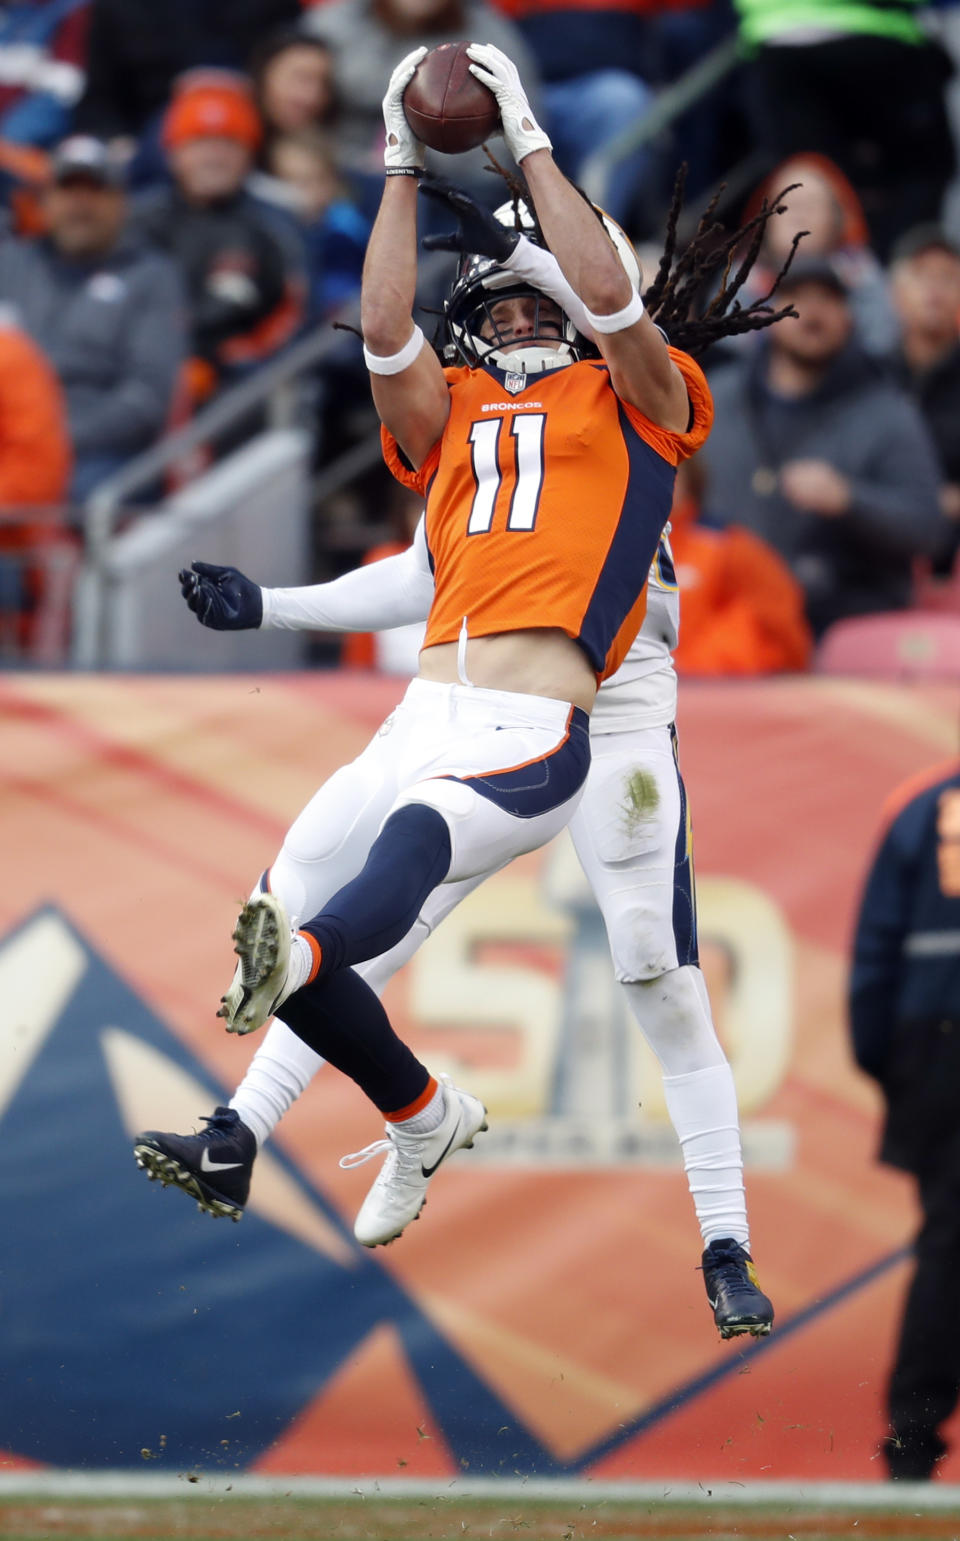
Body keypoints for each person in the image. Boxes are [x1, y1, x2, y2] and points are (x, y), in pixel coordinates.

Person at [135, 44, 790, 1334]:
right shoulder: (465, 429)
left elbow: (610, 306)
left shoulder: (640, 403)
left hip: (604, 707)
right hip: (446, 695)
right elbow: (416, 550)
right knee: (294, 906)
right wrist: (398, 163)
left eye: (535, 308)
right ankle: (283, 1124)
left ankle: (722, 1238)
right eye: (495, 312)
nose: (519, 325)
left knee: (655, 970)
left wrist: (530, 145)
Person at [702, 254, 945, 637]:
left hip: (843, 624)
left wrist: (850, 500)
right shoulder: (717, 399)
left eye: (828, 300)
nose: (812, 313)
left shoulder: (887, 411)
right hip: (728, 618)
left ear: (849, 317)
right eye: (797, 297)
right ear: (766, 315)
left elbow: (928, 528)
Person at [849, 764, 960, 1480]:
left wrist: (893, 1067)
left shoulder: (924, 802)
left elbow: (875, 952)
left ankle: (913, 1446)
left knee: (950, 1246)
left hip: (939, 1046)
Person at [0, 134, 185, 501]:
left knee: (80, 493)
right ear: (45, 200)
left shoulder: (150, 277)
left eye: (95, 190)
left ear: (121, 203)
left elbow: (146, 398)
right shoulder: (9, 264)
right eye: (68, 189)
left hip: (97, 453)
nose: (80, 205)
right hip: (11, 442)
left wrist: (51, 438)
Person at [130, 72, 305, 404]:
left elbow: (296, 317)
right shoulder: (136, 221)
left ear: (249, 153)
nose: (213, 157)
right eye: (199, 142)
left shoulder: (276, 225)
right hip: (140, 381)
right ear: (173, 152)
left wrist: (224, 362)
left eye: (228, 142)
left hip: (242, 390)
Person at [888, 224, 960, 573]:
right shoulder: (866, 374)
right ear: (894, 293)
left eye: (948, 277)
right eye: (921, 276)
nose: (935, 289)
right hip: (876, 550)